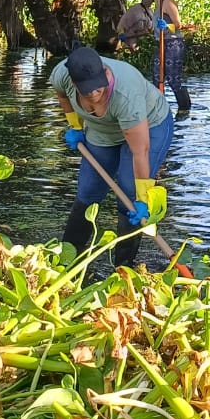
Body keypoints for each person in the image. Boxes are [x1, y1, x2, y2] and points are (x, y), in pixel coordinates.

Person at [52, 45, 175, 269]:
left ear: (105, 72)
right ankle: (67, 260)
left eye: (98, 87)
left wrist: (142, 198)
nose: (94, 94)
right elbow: (62, 95)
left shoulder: (126, 95)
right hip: (102, 132)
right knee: (87, 191)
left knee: (128, 194)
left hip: (150, 125)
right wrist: (74, 125)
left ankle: (123, 267)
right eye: (87, 90)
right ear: (74, 82)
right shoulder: (62, 74)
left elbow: (140, 151)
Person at [145, 0, 191, 112]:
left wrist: (166, 26)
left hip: (173, 43)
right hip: (161, 42)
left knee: (172, 78)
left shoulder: (168, 3)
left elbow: (178, 24)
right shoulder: (157, 5)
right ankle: (158, 107)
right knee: (157, 76)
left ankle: (184, 108)